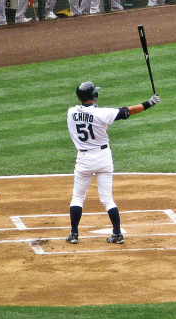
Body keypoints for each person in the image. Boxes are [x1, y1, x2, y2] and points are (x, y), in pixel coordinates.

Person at [66, 81, 160, 244]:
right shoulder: (102, 113)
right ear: (94, 96)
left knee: (77, 197)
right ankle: (117, 233)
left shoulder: (71, 112)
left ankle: (74, 234)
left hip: (84, 160)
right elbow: (126, 112)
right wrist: (150, 102)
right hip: (103, 157)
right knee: (107, 198)